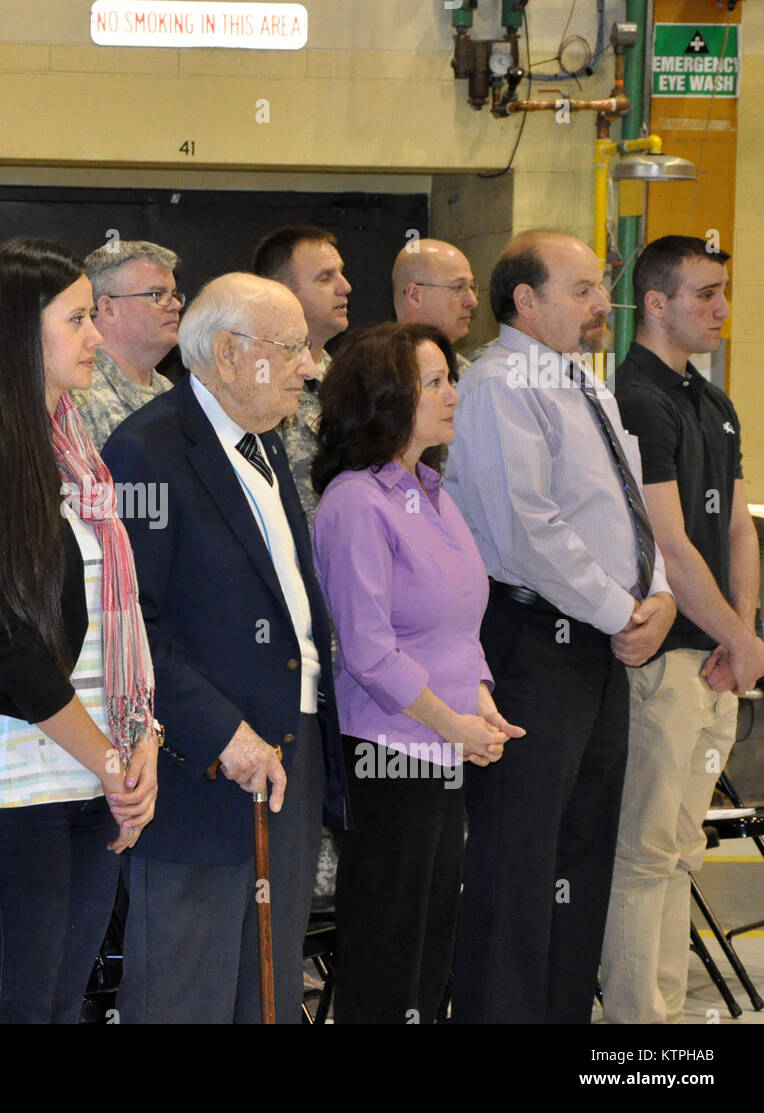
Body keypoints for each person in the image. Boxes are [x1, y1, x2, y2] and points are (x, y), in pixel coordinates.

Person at [102, 272, 350, 1024]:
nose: (311, 366)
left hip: (287, 759)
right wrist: (224, 734)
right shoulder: (148, 449)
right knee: (186, 990)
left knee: (264, 990)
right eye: (294, 347)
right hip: (202, 771)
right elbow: (130, 623)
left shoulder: (266, 445)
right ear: (234, 355)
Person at [446, 228, 677, 1024]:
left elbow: (628, 510)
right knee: (517, 865)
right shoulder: (501, 384)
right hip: (533, 646)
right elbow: (526, 529)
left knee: (580, 854)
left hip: (597, 649)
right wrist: (624, 612)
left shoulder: (586, 384)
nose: (599, 304)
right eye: (581, 290)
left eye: (599, 288)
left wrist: (660, 596)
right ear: (526, 300)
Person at [0, 237, 160, 1024]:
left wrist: (143, 743)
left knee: (64, 1004)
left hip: (92, 777)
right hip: (17, 785)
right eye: (78, 319)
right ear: (24, 334)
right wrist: (109, 760)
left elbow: (115, 628)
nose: (96, 335)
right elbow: (5, 647)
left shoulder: (77, 455)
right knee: (12, 1007)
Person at [310, 321, 523, 1024]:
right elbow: (368, 651)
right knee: (389, 943)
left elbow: (459, 623)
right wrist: (454, 722)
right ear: (388, 398)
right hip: (390, 751)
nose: (454, 395)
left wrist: (482, 702)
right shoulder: (354, 501)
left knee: (434, 941)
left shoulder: (430, 488)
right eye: (435, 382)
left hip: (445, 741)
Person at [602, 236, 763, 1023]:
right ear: (656, 303)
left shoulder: (713, 401)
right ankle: (642, 1024)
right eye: (705, 293)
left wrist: (747, 635)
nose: (722, 309)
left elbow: (735, 527)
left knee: (684, 847)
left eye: (724, 291)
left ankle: (664, 1012)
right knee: (646, 849)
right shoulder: (635, 397)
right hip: (666, 658)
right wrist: (734, 635)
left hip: (718, 657)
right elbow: (668, 542)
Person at [253, 226, 352, 522]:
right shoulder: (258, 384)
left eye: (341, 273)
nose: (345, 286)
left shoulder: (349, 380)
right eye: (325, 277)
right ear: (280, 291)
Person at [72, 239, 181, 450]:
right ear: (108, 309)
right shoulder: (78, 396)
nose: (175, 305)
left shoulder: (168, 391)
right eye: (157, 295)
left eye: (174, 294)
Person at [392, 238, 481, 372]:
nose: (473, 302)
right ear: (415, 296)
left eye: (472, 287)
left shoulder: (468, 374)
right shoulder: (378, 376)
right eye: (457, 288)